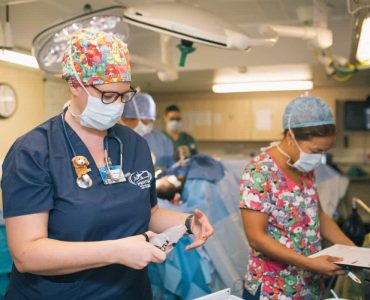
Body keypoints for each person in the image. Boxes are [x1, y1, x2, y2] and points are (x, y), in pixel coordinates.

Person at [1, 28, 213, 299]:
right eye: (108, 96)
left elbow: (148, 213)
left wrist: (187, 222)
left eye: (124, 96)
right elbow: (27, 254)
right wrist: (116, 251)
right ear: (75, 84)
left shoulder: (133, 145)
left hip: (128, 291)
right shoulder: (33, 151)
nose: (116, 107)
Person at [239, 95, 355, 299]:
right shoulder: (259, 172)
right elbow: (257, 238)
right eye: (316, 151)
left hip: (308, 284)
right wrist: (309, 263)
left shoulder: (303, 168)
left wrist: (355, 254)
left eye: (324, 152)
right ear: (291, 136)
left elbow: (318, 215)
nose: (318, 158)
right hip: (273, 288)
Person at [120, 92, 174, 170]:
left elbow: (170, 166)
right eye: (131, 119)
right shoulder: (113, 141)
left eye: (148, 120)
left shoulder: (162, 140)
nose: (139, 124)